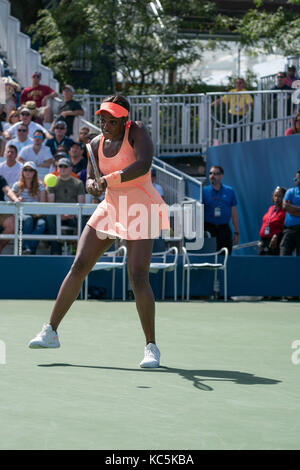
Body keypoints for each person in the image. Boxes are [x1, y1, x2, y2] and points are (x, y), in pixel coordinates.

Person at [28, 94, 170, 369]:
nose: (105, 124)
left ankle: (151, 346)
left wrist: (106, 179)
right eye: (102, 118)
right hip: (111, 206)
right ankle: (51, 331)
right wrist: (93, 184)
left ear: (124, 120)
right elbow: (92, 177)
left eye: (111, 120)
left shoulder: (136, 131)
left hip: (140, 207)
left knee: (138, 276)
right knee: (79, 264)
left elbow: (143, 164)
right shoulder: (93, 144)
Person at [45, 157, 85, 255]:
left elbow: (81, 203)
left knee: (82, 219)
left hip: (74, 214)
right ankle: (55, 250)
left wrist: (71, 214)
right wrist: (61, 215)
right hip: (57, 214)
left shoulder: (78, 183)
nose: (62, 168)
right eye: (60, 166)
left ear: (71, 168)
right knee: (50, 217)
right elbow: (51, 204)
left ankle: (80, 250)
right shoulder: (51, 182)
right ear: (57, 168)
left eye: (65, 166)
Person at [11, 161, 47, 255]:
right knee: (28, 219)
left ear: (34, 172)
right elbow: (11, 202)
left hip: (37, 215)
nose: (28, 172)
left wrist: (38, 214)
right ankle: (27, 248)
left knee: (42, 224)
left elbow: (43, 205)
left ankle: (28, 249)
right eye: (25, 169)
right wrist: (17, 199)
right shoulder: (16, 186)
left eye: (30, 170)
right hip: (22, 215)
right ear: (22, 171)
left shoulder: (40, 186)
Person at [203, 165, 239, 254]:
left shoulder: (229, 191)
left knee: (225, 256)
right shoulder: (204, 191)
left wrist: (236, 232)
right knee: (210, 257)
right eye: (210, 173)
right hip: (209, 229)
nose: (212, 176)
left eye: (215, 174)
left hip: (224, 229)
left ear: (221, 176)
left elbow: (234, 213)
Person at [258, 186, 286, 256]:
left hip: (275, 242)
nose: (277, 198)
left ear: (284, 198)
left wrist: (276, 236)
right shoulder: (270, 209)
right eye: (275, 195)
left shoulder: (285, 211)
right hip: (263, 241)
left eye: (280, 196)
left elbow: (285, 229)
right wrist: (261, 240)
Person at [280, 170, 300, 256]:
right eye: (296, 179)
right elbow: (285, 207)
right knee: (284, 256)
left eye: (299, 179)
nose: (297, 181)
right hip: (289, 230)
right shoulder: (290, 191)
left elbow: (289, 208)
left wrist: (291, 208)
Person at [0, 175, 21, 254]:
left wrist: (15, 199)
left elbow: (8, 191)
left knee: (12, 223)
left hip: (1, 211)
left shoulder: (0, 178)